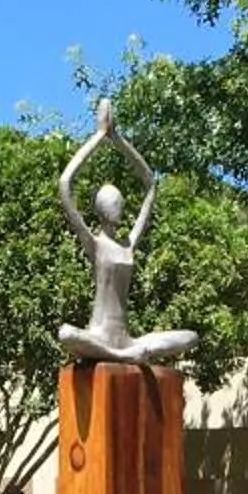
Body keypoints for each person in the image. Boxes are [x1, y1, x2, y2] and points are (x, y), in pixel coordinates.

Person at [56, 100, 196, 365]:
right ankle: (120, 357)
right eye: (112, 204)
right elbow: (65, 184)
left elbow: (151, 184)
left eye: (120, 204)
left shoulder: (128, 244)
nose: (118, 209)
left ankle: (125, 353)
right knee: (67, 334)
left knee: (189, 337)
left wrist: (118, 139)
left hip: (127, 338)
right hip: (99, 336)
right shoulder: (95, 244)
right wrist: (98, 136)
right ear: (100, 209)